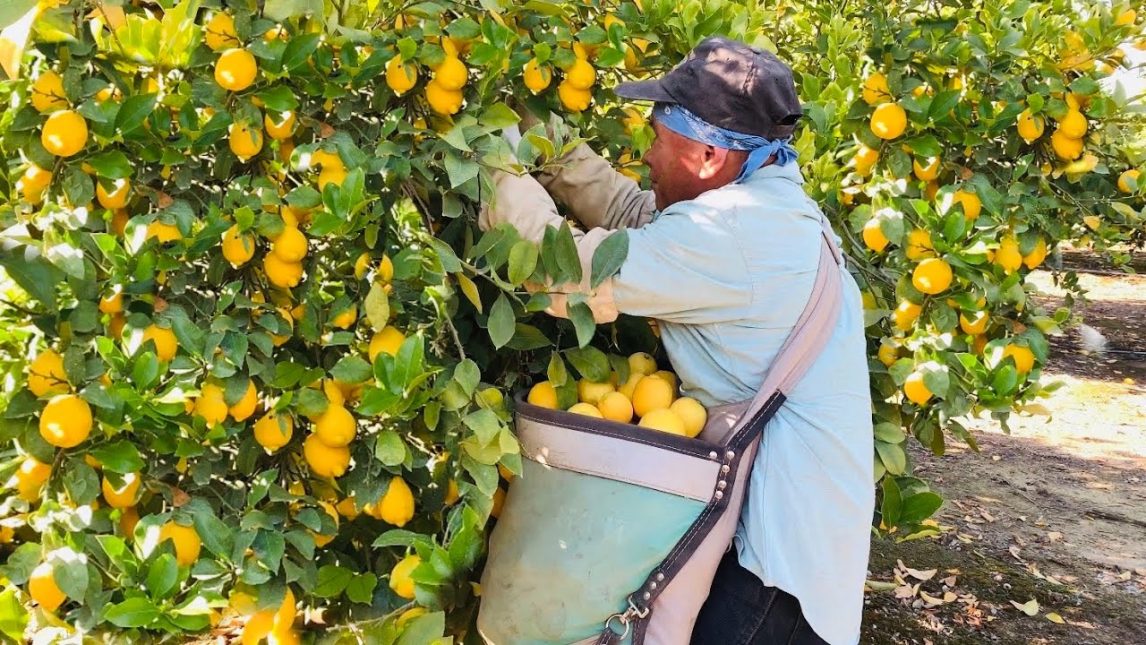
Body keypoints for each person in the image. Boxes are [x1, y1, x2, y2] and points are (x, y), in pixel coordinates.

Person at [480, 37, 874, 645]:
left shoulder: (734, 235)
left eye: (658, 140)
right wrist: (537, 132)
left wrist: (487, 155)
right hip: (786, 550)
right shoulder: (760, 207)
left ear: (709, 157)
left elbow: (559, 269)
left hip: (770, 579)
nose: (645, 154)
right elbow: (639, 216)